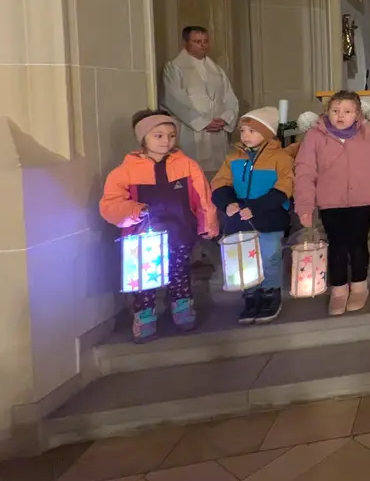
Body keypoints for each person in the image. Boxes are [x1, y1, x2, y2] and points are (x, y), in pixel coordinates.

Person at [100, 109, 219, 342]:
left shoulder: (186, 165)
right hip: (143, 235)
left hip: (179, 231)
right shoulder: (124, 172)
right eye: (159, 136)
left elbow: (203, 197)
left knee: (180, 271)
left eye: (171, 135)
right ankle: (144, 315)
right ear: (143, 138)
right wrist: (134, 211)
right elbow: (111, 204)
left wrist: (208, 223)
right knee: (145, 279)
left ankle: (182, 306)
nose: (166, 141)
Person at [295, 91, 370, 316]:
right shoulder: (315, 136)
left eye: (348, 112)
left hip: (362, 199)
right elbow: (304, 170)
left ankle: (360, 287)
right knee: (338, 245)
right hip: (331, 202)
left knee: (358, 244)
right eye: (335, 111)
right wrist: (304, 205)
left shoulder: (368, 132)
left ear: (358, 114)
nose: (341, 116)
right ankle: (339, 290)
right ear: (327, 112)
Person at [210, 107, 295, 325]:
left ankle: (270, 294)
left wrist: (257, 206)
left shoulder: (280, 158)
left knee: (269, 257)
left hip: (269, 217)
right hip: (240, 220)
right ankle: (251, 296)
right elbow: (221, 182)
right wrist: (227, 203)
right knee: (245, 259)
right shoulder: (233, 158)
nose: (246, 135)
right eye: (243, 131)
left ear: (267, 133)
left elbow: (285, 186)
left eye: (252, 131)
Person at [161, 26, 240, 174]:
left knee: (219, 174)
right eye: (197, 41)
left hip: (218, 131)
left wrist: (225, 119)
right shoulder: (175, 67)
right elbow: (174, 99)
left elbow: (230, 98)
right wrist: (203, 122)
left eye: (205, 41)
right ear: (186, 43)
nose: (203, 45)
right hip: (191, 131)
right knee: (193, 173)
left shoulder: (216, 70)